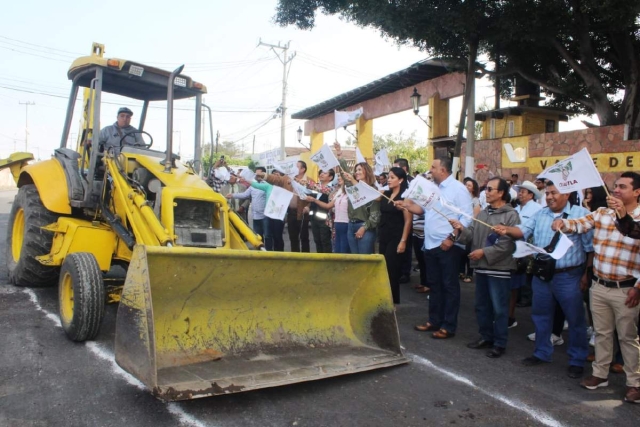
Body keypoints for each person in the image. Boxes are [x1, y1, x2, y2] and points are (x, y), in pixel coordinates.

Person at [554, 172, 640, 403]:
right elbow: (581, 223)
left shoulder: (639, 218)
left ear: (637, 192)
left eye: (622, 186)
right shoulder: (602, 213)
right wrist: (564, 223)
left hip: (627, 289)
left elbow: (631, 229)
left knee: (628, 338)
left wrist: (638, 288)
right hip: (599, 285)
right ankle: (600, 375)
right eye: (615, 186)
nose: (616, 190)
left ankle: (635, 383)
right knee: (601, 334)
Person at [494, 180, 593, 379]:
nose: (549, 197)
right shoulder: (541, 214)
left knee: (575, 320)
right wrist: (506, 229)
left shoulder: (581, 215)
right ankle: (541, 353)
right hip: (542, 275)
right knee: (540, 316)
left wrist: (586, 275)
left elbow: (590, 249)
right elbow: (522, 231)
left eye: (553, 193)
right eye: (547, 193)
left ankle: (577, 360)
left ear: (567, 194)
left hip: (569, 275)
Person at [404, 156, 473, 339]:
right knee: (435, 285)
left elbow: (466, 218)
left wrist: (451, 237)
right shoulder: (432, 189)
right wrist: (406, 206)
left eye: (433, 167)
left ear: (443, 170)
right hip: (431, 244)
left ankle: (448, 326)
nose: (430, 170)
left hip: (448, 245)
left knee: (449, 286)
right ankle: (434, 320)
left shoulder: (458, 189)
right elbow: (423, 210)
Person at [450, 177, 520, 358]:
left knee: (499, 308)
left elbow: (507, 245)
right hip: (481, 267)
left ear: (501, 193)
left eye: (490, 189)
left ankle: (500, 342)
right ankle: (486, 337)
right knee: (481, 306)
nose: (486, 192)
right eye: (486, 189)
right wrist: (461, 229)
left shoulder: (511, 215)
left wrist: (483, 252)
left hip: (500, 268)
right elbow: (471, 235)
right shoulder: (483, 213)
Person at [335, 142, 381, 254]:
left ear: (367, 171)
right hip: (351, 225)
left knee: (364, 259)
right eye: (356, 170)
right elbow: (344, 173)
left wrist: (364, 228)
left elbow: (375, 215)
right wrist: (340, 155)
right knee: (355, 259)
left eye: (360, 170)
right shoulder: (352, 187)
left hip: (365, 226)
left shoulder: (372, 189)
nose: (357, 172)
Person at [509, 180, 543, 326]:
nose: (520, 193)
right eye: (520, 191)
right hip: (514, 249)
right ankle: (510, 314)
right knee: (513, 283)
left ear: (531, 195)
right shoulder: (515, 208)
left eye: (523, 191)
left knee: (530, 283)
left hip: (528, 251)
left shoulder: (537, 209)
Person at [381, 167, 412, 304]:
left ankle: (394, 301)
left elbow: (408, 220)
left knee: (392, 269)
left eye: (392, 177)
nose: (389, 179)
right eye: (388, 177)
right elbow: (365, 190)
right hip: (383, 236)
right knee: (382, 268)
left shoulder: (405, 197)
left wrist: (403, 240)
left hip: (396, 236)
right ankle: (384, 298)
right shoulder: (385, 194)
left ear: (401, 180)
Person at [229, 167, 267, 237]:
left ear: (264, 174)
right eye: (256, 174)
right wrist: (232, 195)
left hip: (265, 216)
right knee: (258, 236)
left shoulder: (267, 185)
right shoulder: (254, 185)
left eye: (259, 174)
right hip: (255, 215)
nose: (257, 175)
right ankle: (260, 248)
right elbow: (245, 195)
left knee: (268, 236)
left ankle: (268, 248)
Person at [393, 158, 413, 283]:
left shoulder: (412, 183)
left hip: (408, 220)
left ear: (404, 169)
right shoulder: (389, 187)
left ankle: (405, 272)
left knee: (406, 249)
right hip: (393, 224)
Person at [460, 177, 482, 283]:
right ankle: (461, 271)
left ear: (473, 189)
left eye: (469, 185)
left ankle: (469, 273)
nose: (466, 187)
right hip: (461, 227)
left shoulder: (475, 201)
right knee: (461, 251)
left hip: (470, 228)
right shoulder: (461, 199)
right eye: (465, 184)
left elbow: (474, 216)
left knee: (469, 250)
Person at [307, 169, 335, 253]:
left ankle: (327, 262)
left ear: (330, 177)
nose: (321, 174)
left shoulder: (331, 188)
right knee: (317, 241)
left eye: (325, 173)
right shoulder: (316, 187)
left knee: (325, 241)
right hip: (314, 218)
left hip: (325, 220)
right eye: (321, 172)